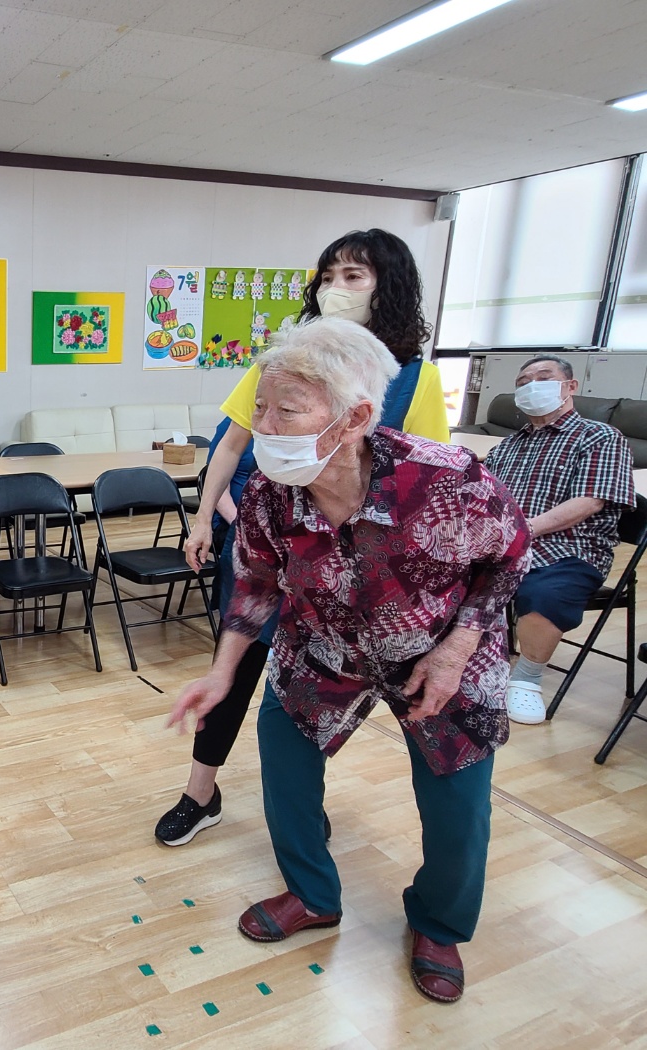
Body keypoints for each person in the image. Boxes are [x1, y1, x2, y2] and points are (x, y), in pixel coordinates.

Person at [168, 319, 530, 1003]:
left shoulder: (446, 477)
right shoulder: (272, 494)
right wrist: (221, 672)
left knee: (457, 802)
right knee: (284, 756)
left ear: (356, 418)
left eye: (287, 410)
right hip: (324, 645)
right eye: (261, 407)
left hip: (439, 652)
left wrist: (458, 649)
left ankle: (440, 924)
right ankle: (312, 893)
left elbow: (509, 557)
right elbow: (254, 583)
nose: (264, 425)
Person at [155, 228, 451, 848]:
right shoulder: (282, 359)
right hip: (267, 546)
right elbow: (230, 444)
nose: (335, 288)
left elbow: (423, 481)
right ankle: (200, 792)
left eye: (354, 276)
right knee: (233, 666)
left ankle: (299, 803)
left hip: (347, 565)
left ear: (388, 288)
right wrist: (205, 517)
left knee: (318, 687)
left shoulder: (414, 379)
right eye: (328, 276)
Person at [484, 355, 635, 725]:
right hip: (505, 544)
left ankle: (526, 679)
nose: (531, 386)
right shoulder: (506, 447)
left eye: (543, 377)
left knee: (544, 592)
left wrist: (525, 530)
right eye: (523, 382)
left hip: (570, 547)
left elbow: (590, 500)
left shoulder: (600, 437)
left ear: (570, 386)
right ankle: (462, 657)